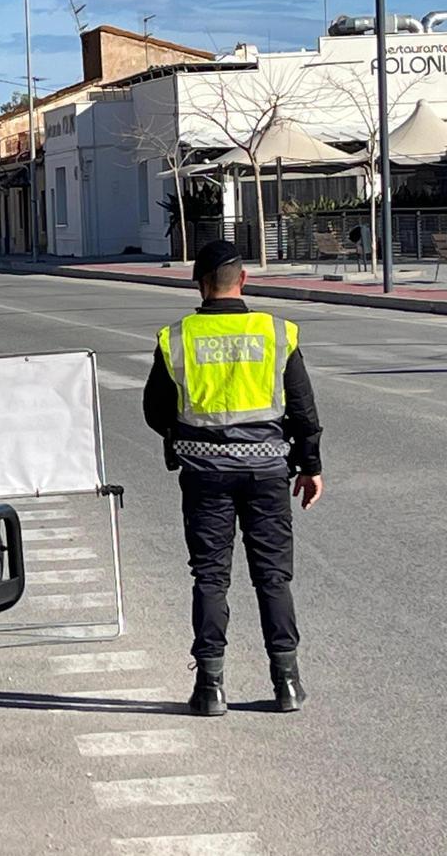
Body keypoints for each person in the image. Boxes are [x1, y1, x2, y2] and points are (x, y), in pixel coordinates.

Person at [143, 240, 324, 717]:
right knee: (273, 578)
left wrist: (188, 433)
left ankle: (210, 689)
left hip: (205, 476)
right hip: (267, 472)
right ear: (243, 280)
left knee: (210, 577)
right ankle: (286, 683)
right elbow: (304, 410)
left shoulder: (176, 337)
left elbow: (155, 411)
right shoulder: (276, 332)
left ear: (199, 285)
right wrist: (310, 466)